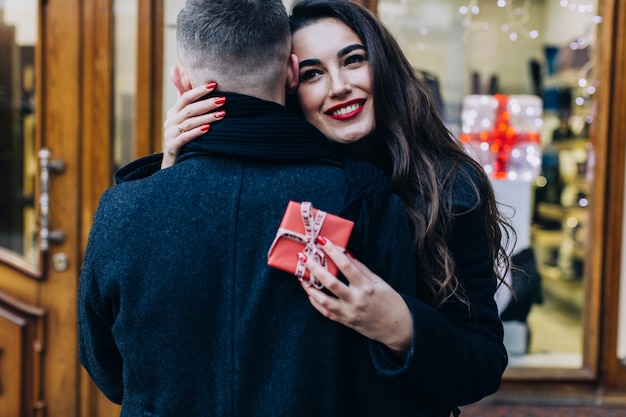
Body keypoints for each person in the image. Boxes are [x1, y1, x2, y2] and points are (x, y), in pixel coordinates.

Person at [160, 0, 515, 416]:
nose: (339, 86)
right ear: (289, 83)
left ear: (382, 65)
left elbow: (482, 365)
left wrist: (397, 324)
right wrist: (174, 165)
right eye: (313, 73)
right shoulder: (273, 186)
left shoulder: (449, 188)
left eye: (353, 60)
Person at [78, 1, 417, 416]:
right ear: (292, 73)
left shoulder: (121, 210)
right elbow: (384, 385)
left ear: (182, 83)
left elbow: (108, 371)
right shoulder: (366, 200)